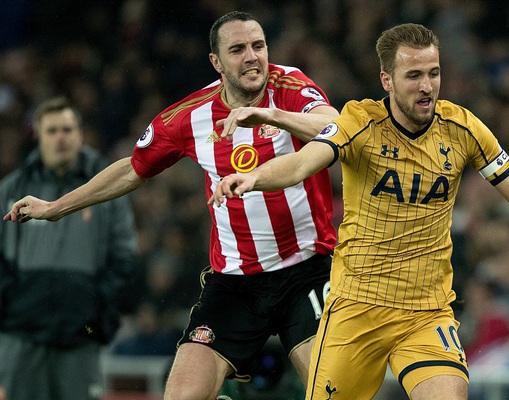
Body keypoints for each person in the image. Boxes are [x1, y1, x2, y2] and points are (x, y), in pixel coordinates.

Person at [213, 23, 509, 399]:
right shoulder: (359, 123)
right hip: (355, 310)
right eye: (414, 75)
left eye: (433, 73)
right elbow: (300, 164)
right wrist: (253, 177)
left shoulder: (463, 129)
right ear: (387, 80)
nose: (427, 86)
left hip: (426, 314)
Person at [3, 11, 339, 400]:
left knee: (333, 392)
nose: (252, 57)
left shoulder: (290, 84)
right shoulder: (189, 116)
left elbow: (333, 124)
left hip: (308, 271)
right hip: (235, 282)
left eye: (258, 46)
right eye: (237, 49)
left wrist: (271, 115)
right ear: (216, 62)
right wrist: (57, 207)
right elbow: (133, 169)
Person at [0, 96, 137, 400]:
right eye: (52, 130)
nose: (60, 137)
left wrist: (95, 307)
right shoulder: (13, 188)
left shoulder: (106, 186)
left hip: (80, 337)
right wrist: (12, 304)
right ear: (37, 134)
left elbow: (124, 254)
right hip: (22, 335)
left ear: (80, 133)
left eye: (67, 129)